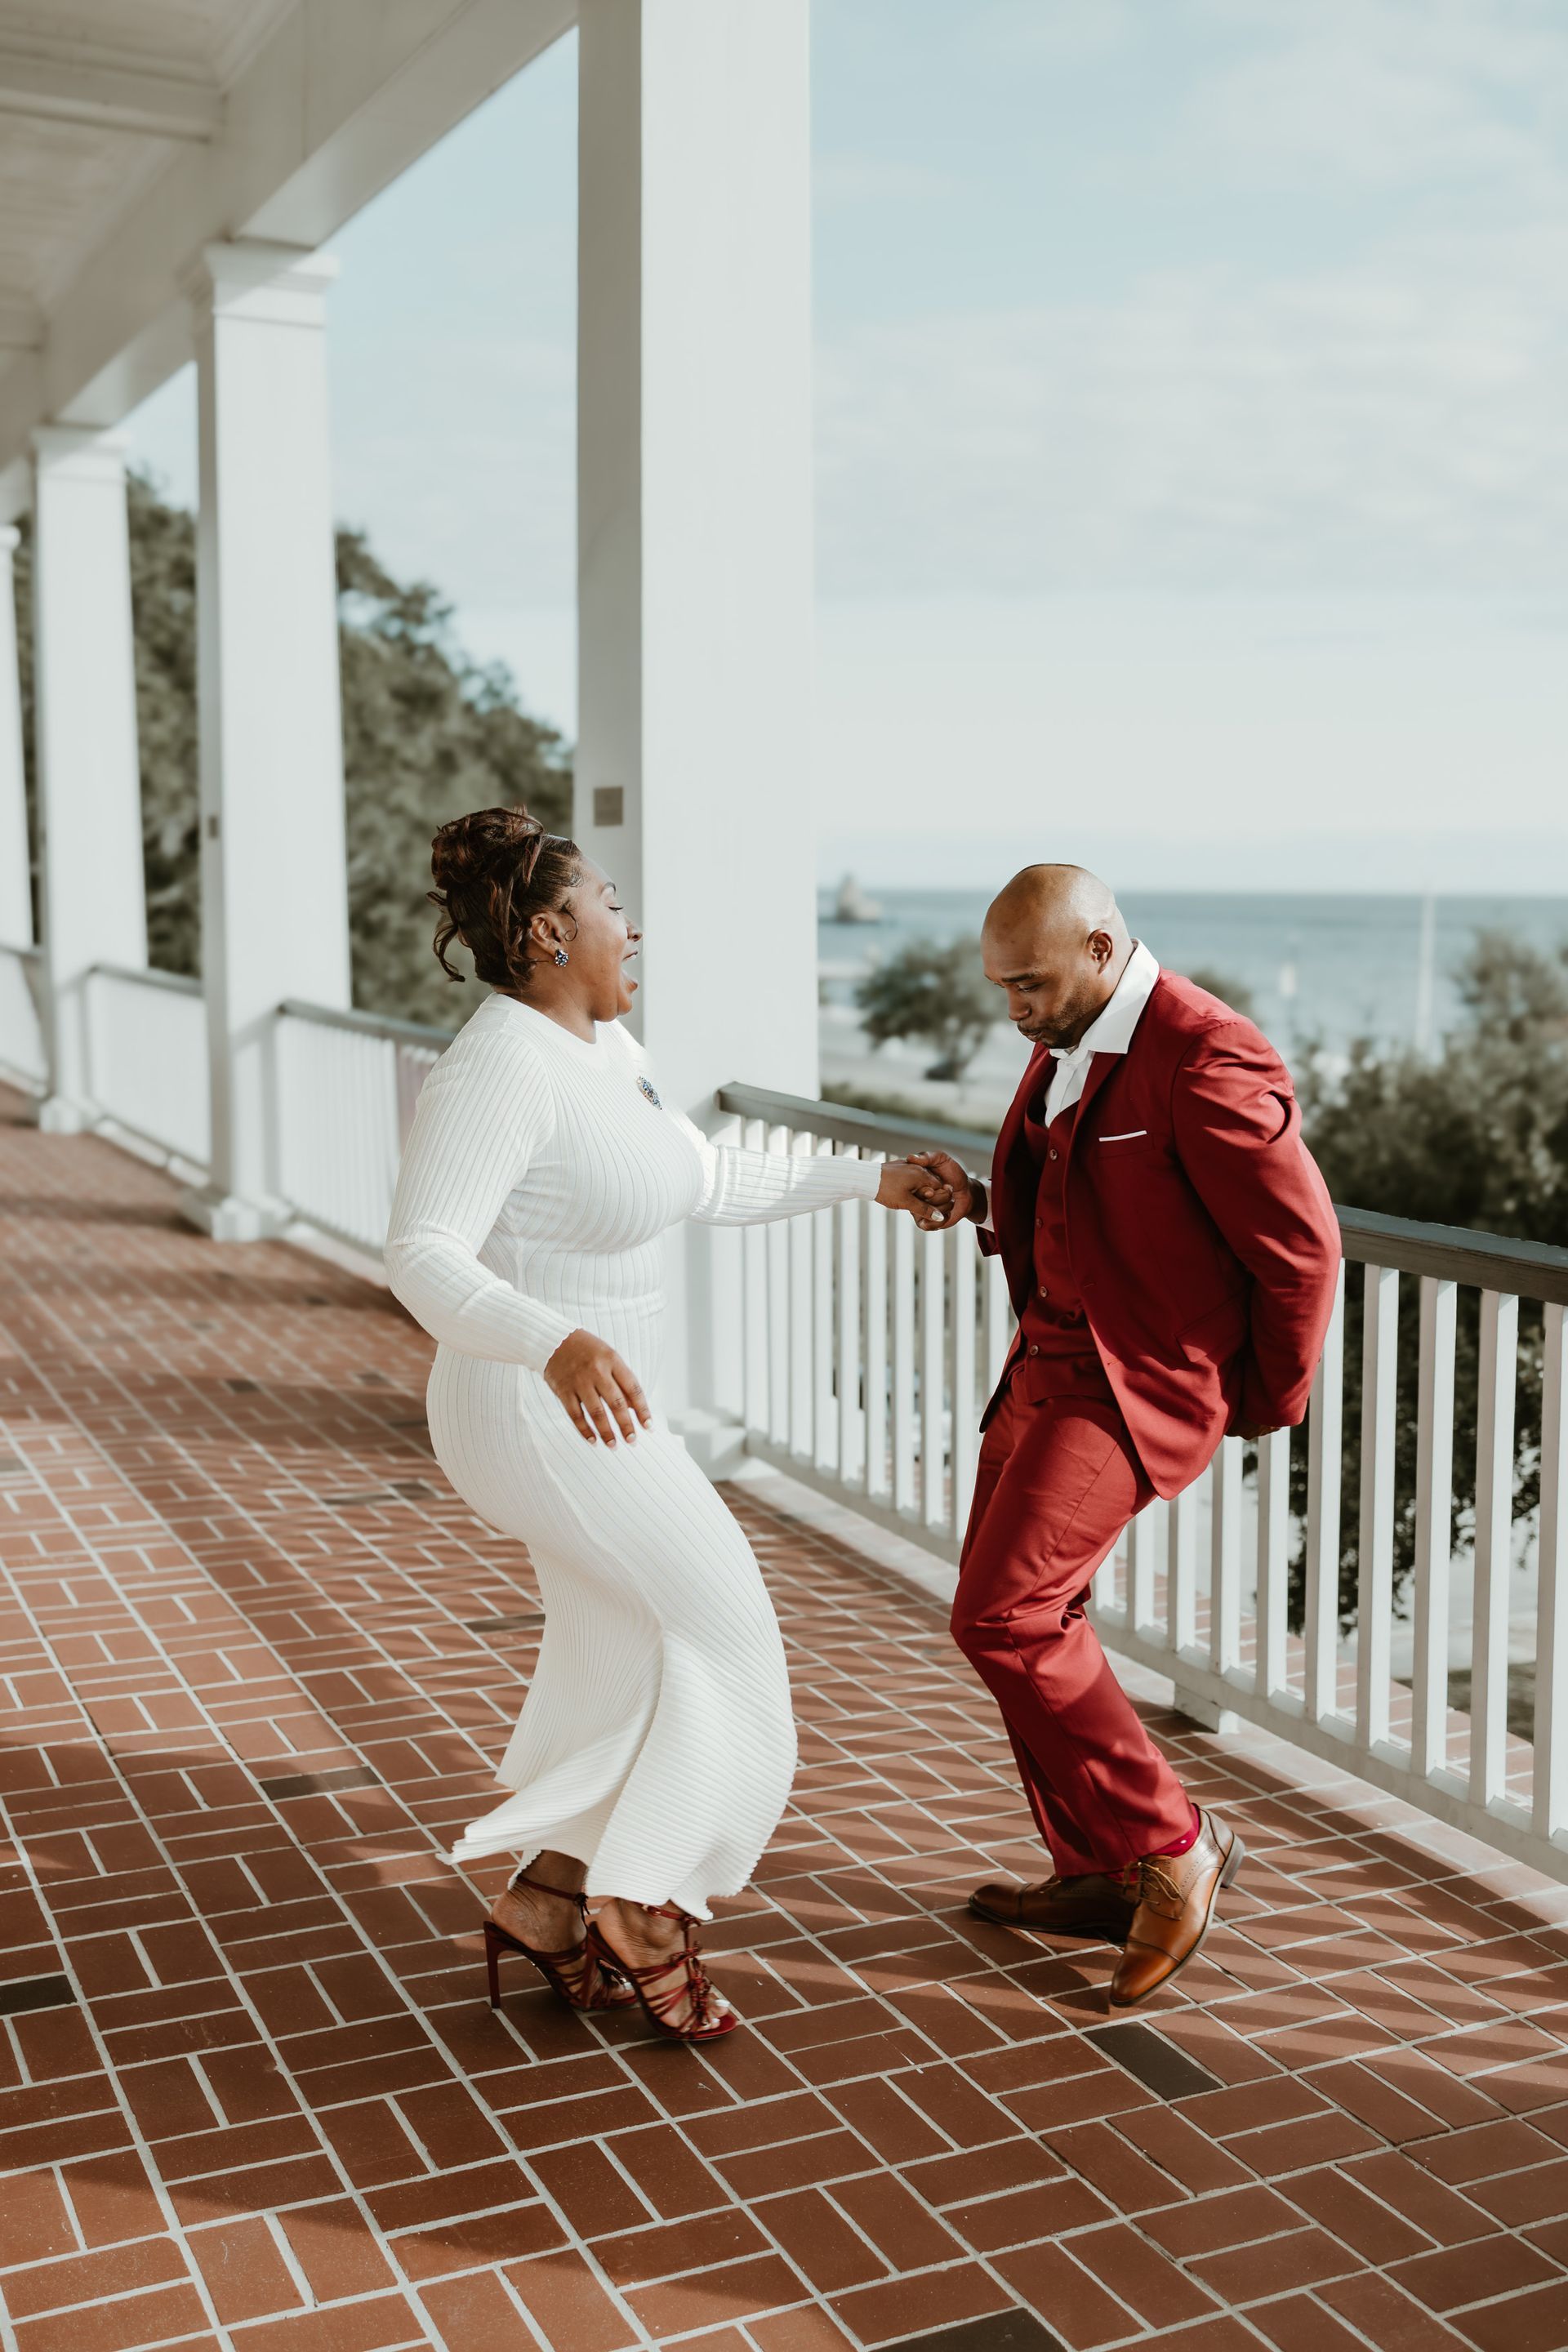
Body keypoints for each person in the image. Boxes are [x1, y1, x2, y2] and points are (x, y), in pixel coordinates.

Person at [384, 806, 951, 2042]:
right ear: (550, 933)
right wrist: (553, 1339)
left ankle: (550, 1901)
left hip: (592, 1411)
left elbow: (704, 1176)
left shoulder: (604, 1049)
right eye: (610, 905)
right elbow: (420, 1253)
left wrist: (870, 1178)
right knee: (730, 1637)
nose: (630, 927)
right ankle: (644, 1906)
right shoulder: (499, 1065)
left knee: (632, 1649)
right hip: (536, 1409)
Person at [911, 865, 1340, 2008]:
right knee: (1019, 1622)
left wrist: (1263, 1398)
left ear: (1101, 949)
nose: (1016, 1012)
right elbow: (1094, 1196)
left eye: (1032, 986)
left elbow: (1301, 1252)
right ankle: (1099, 1869)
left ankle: (1174, 1844)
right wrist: (984, 1205)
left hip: (1126, 1383)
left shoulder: (1207, 1053)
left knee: (1006, 1616)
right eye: (1003, 990)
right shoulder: (1069, 1030)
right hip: (1040, 1368)